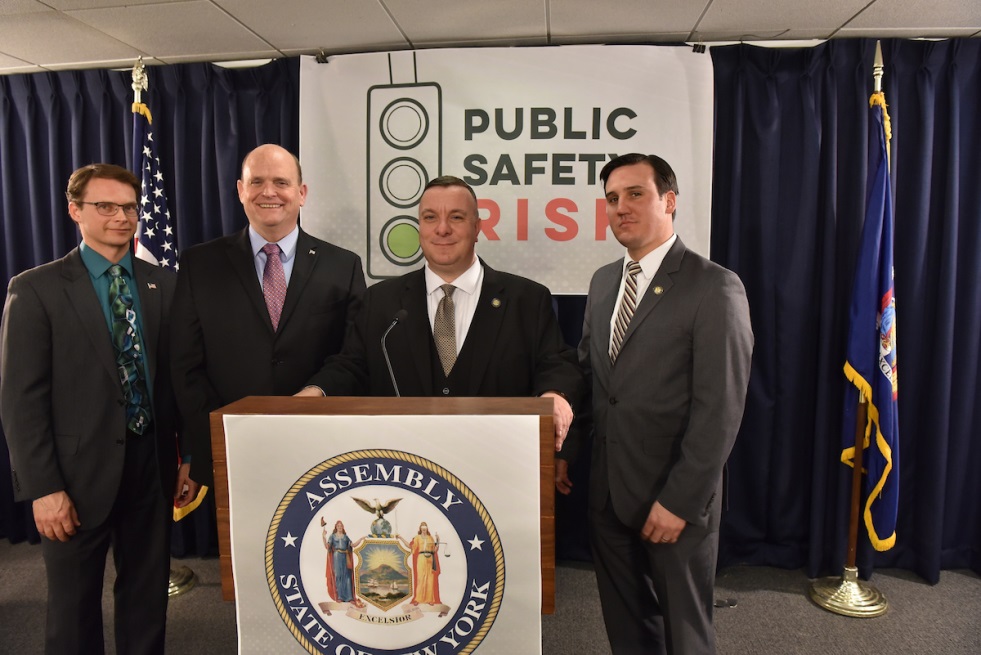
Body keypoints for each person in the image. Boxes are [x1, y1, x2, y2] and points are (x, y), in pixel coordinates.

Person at [556, 153, 754, 654]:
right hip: (608, 494)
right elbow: (590, 379)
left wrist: (680, 501)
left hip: (675, 500)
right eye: (611, 199)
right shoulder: (603, 282)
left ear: (669, 200)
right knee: (629, 631)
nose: (620, 207)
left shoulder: (715, 287)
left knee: (685, 635)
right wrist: (567, 451)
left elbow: (721, 410)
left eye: (635, 194)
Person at [0, 163, 201, 654]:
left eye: (129, 207)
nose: (121, 217)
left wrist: (190, 456)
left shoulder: (165, 285)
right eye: (105, 206)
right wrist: (43, 488)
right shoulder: (36, 289)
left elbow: (182, 382)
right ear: (75, 210)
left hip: (151, 469)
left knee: (146, 601)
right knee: (72, 611)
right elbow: (20, 399)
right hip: (72, 478)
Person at [300, 176, 582, 440]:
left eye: (456, 217)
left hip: (499, 462)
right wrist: (316, 392)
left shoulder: (527, 299)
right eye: (430, 217)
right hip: (405, 468)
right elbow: (352, 367)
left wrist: (555, 394)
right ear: (420, 227)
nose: (442, 228)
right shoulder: (382, 301)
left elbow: (554, 363)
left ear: (477, 228)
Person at [170, 144, 366, 482]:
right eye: (256, 181)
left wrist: (316, 392)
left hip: (320, 449)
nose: (269, 192)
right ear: (241, 191)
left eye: (281, 182)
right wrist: (223, 429)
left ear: (301, 194)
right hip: (226, 452)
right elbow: (185, 364)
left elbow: (355, 354)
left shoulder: (343, 266)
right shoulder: (199, 264)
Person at [397, 522, 441, 605]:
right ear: (420, 529)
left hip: (430, 559)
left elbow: (434, 550)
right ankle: (418, 599)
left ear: (427, 529)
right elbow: (410, 546)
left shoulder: (430, 538)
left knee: (430, 579)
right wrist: (401, 538)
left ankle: (430, 599)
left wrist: (438, 541)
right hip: (421, 558)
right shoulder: (417, 538)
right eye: (423, 529)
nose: (424, 531)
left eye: (425, 529)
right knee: (420, 578)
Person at [323, 520, 363, 605]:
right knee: (338, 575)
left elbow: (353, 545)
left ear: (343, 527)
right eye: (338, 526)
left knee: (347, 576)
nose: (340, 527)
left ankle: (349, 597)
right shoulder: (332, 536)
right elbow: (327, 546)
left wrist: (361, 539)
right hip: (337, 556)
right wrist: (323, 536)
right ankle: (340, 597)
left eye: (341, 526)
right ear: (336, 527)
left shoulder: (345, 537)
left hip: (345, 557)